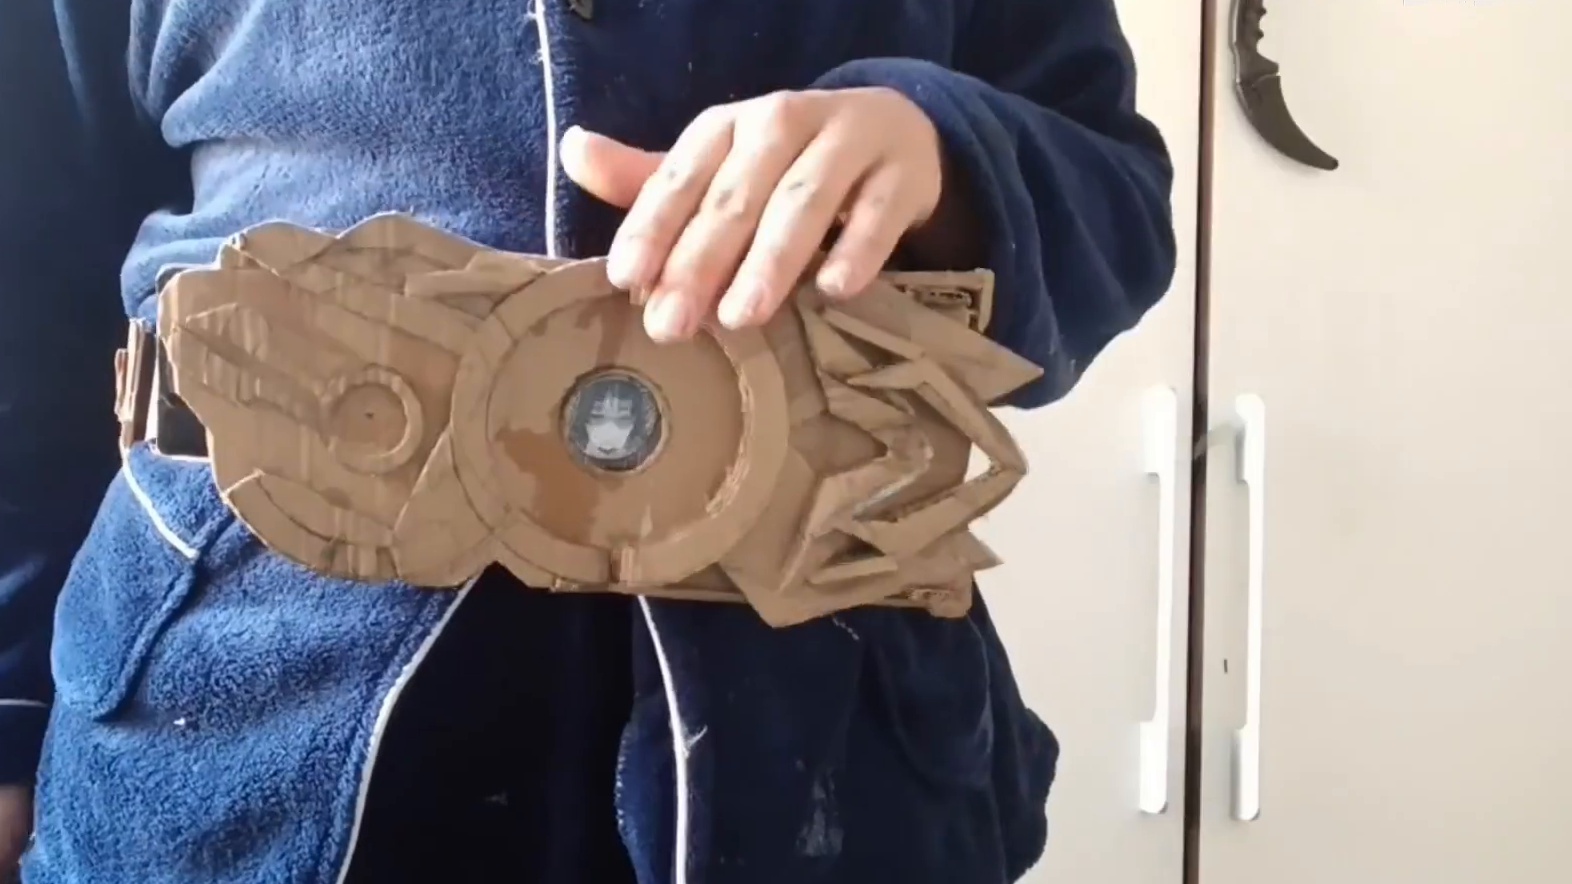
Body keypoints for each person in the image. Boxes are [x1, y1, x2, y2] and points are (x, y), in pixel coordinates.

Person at [0, 0, 1175, 881]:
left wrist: (941, 152)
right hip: (229, 748)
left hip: (823, 756)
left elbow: (1117, 197)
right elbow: (23, 294)